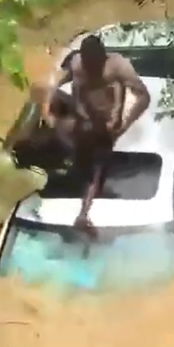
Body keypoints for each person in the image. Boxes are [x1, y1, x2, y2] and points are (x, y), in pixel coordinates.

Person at [38, 34, 151, 233]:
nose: (90, 70)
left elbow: (144, 97)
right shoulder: (76, 64)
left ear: (103, 59)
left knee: (98, 165)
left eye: (94, 66)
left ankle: (84, 212)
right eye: (87, 65)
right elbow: (54, 82)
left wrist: (123, 124)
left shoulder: (118, 67)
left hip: (108, 119)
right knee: (49, 107)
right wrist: (46, 110)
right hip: (84, 113)